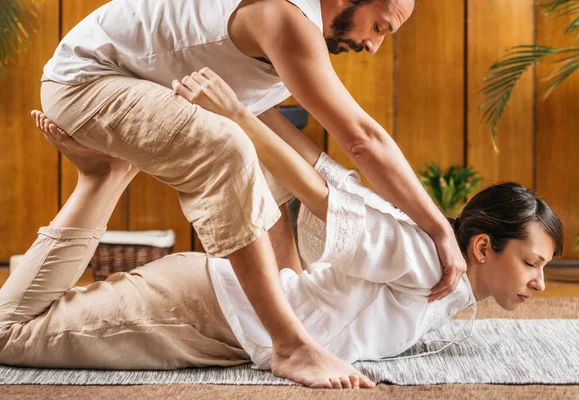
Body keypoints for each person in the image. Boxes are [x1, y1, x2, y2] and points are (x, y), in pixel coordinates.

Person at [0, 72, 562, 388]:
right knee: (8, 335)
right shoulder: (424, 258)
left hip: (220, 321)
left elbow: (328, 182)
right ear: (484, 246)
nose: (539, 282)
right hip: (204, 311)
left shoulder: (447, 288)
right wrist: (241, 116)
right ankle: (102, 177)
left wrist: (253, 114)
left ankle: (104, 174)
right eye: (533, 263)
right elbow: (324, 197)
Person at [39, 0, 463, 387]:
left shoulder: (296, 27)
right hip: (86, 79)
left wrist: (346, 194)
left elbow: (304, 159)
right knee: (228, 147)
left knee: (266, 154)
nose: (373, 45)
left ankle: (289, 304)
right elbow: (363, 139)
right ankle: (290, 345)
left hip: (134, 80)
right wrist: (440, 229)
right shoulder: (287, 17)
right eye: (379, 27)